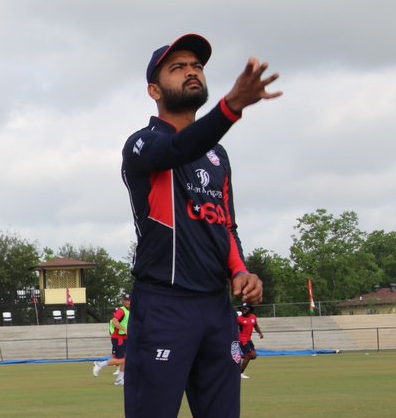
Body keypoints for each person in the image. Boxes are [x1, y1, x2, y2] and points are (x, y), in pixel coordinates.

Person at [120, 33, 281, 418]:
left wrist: (241, 271)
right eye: (178, 68)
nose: (191, 72)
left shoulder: (217, 155)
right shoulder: (142, 143)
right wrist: (231, 107)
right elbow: (178, 149)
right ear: (153, 90)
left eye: (196, 66)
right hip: (164, 305)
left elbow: (225, 224)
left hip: (216, 309)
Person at [93, 293, 130, 386]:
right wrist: (124, 330)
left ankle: (120, 379)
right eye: (125, 300)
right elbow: (114, 321)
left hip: (125, 338)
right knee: (122, 360)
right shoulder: (122, 310)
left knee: (126, 359)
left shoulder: (130, 311)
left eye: (129, 300)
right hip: (119, 338)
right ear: (123, 301)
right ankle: (99, 365)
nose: (127, 301)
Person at [237, 303, 263, 379]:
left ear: (250, 309)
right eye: (242, 308)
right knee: (248, 355)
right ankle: (239, 373)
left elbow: (255, 325)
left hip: (248, 339)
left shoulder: (253, 317)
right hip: (242, 339)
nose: (243, 310)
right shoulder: (239, 319)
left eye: (245, 308)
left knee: (253, 356)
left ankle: (235, 357)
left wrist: (260, 333)